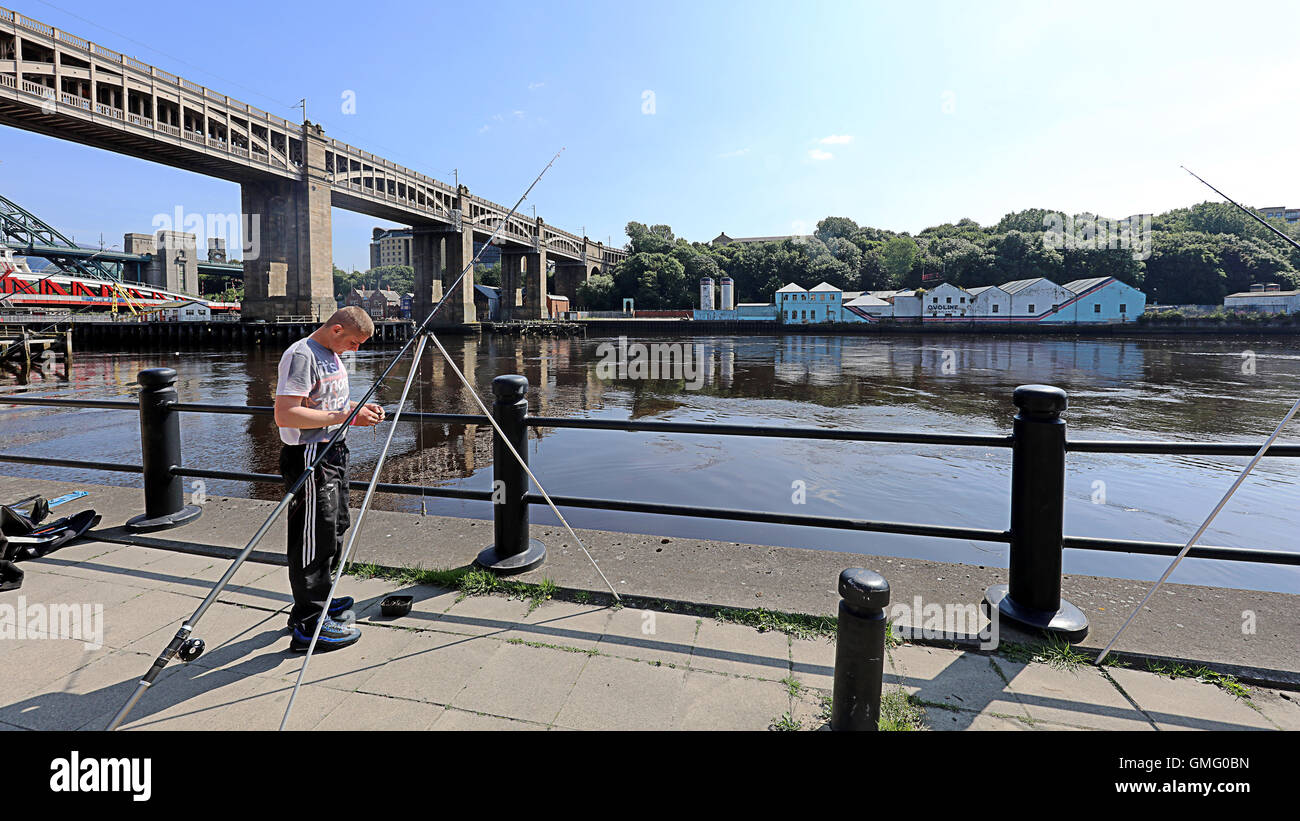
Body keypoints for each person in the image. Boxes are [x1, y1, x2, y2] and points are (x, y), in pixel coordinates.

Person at [273, 306, 385, 652]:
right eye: (353, 342)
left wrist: (357, 409)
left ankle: (320, 597)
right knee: (313, 536)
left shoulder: (332, 355)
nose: (355, 350)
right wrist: (346, 416)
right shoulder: (302, 355)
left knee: (335, 527)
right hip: (310, 456)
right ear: (336, 330)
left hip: (334, 451)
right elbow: (285, 413)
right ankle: (309, 623)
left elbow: (328, 402)